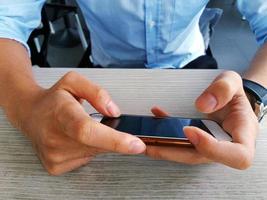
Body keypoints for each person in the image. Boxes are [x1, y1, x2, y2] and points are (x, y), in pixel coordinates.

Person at [0, 0, 266, 176]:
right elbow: (5, 20)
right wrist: (27, 106)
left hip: (193, 63)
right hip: (104, 66)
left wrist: (253, 95)